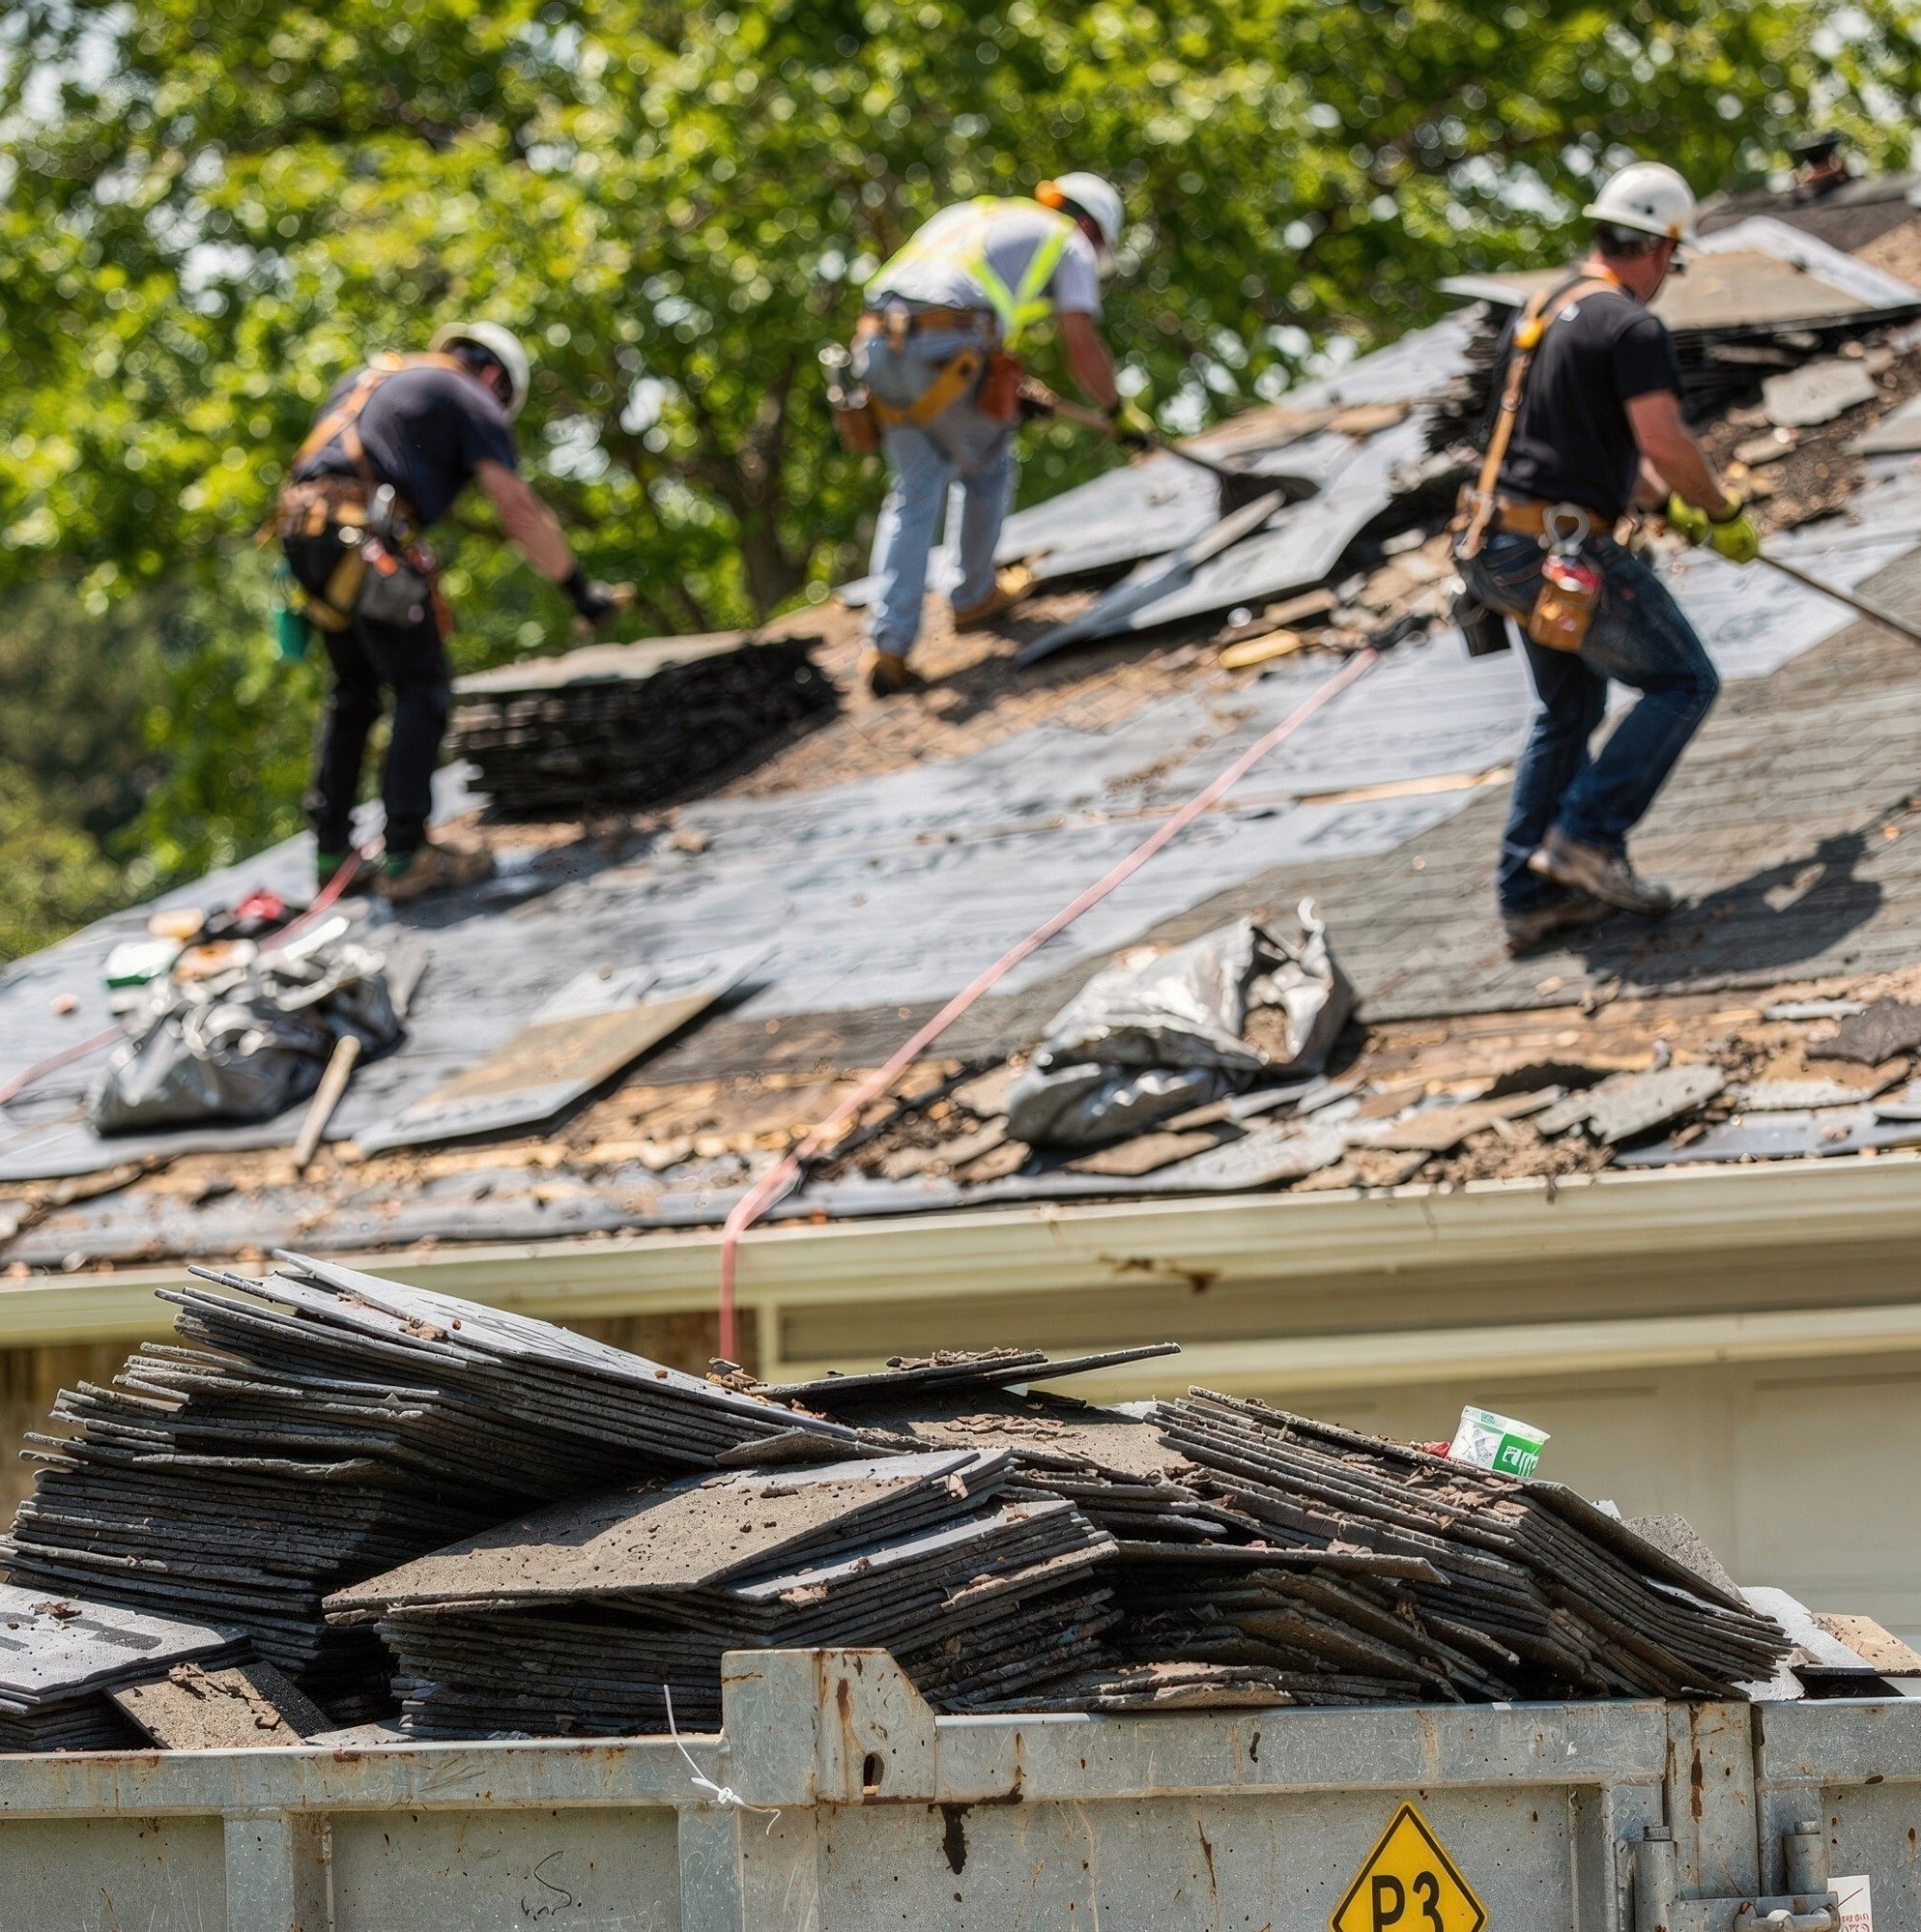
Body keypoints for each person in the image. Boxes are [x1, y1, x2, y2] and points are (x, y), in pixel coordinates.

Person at [1457, 161, 1760, 955]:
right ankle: (1587, 837)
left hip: (1497, 544)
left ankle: (1529, 899)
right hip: (1559, 550)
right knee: (1685, 679)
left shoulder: (1542, 311)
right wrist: (1723, 512)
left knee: (1570, 710)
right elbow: (1663, 437)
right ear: (1659, 249)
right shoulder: (1629, 326)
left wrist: (1672, 507)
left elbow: (1605, 451)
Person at [277, 322, 616, 902]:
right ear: (494, 378)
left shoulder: (373, 376)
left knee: (355, 690)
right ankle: (407, 856)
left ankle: (333, 854)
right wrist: (581, 591)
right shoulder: (468, 395)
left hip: (307, 535)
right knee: (423, 687)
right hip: (362, 540)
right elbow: (517, 506)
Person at [853, 173, 1137, 696]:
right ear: (1090, 225)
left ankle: (888, 645)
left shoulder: (977, 216)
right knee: (986, 468)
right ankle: (971, 596)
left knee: (913, 492)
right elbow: (1080, 339)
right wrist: (1118, 410)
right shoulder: (1067, 239)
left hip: (875, 343)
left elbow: (946, 300)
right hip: (948, 344)